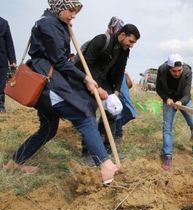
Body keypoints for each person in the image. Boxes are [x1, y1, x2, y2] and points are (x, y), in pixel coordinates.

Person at [2, 0, 118, 184]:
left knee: (48, 128)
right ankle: (105, 166)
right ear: (59, 6)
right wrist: (85, 78)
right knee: (84, 116)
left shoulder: (55, 23)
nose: (74, 14)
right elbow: (60, 61)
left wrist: (64, 28)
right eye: (71, 9)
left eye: (76, 11)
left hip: (46, 81)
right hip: (47, 82)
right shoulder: (48, 24)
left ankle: (13, 163)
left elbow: (63, 56)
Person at [76, 18, 140, 158]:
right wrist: (95, 87)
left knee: (112, 112)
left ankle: (108, 148)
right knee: (89, 115)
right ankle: (87, 152)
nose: (132, 45)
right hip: (87, 80)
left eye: (134, 43)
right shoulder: (101, 40)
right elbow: (86, 64)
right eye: (131, 41)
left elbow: (120, 70)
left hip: (105, 82)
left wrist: (116, 90)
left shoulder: (124, 51)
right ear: (122, 35)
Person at [156, 53, 193, 171]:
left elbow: (187, 93)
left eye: (179, 70)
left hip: (183, 100)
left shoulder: (188, 71)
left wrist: (181, 102)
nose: (177, 73)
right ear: (169, 68)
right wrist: (166, 99)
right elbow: (158, 88)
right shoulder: (162, 70)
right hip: (169, 100)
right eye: (174, 71)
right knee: (167, 128)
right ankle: (167, 156)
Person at [0, 17, 16, 113]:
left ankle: (0, 106)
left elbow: (9, 42)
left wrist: (12, 60)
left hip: (1, 59)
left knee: (1, 84)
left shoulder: (3, 23)